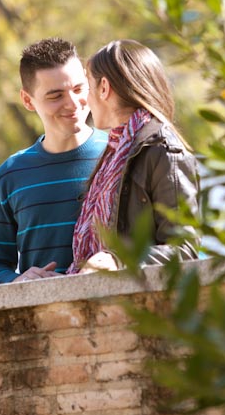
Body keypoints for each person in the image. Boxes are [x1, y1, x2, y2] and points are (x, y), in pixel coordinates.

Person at [0, 38, 107, 285]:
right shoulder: (11, 175)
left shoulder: (120, 155)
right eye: (56, 95)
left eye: (79, 89)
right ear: (27, 100)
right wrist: (17, 282)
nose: (72, 103)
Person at [67, 39, 199, 274]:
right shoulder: (114, 153)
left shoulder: (164, 150)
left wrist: (119, 259)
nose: (84, 100)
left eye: (88, 87)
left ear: (104, 88)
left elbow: (184, 250)